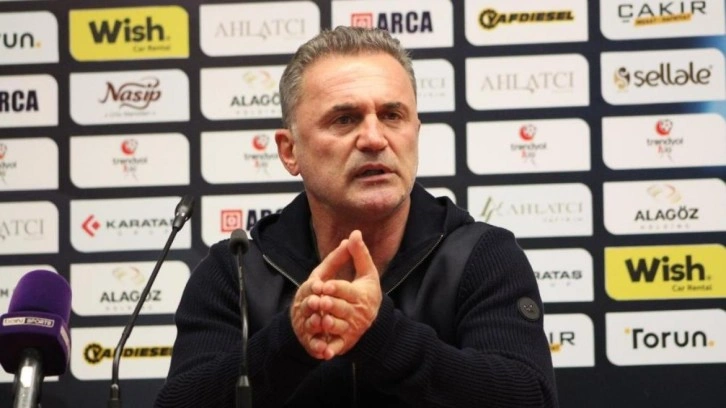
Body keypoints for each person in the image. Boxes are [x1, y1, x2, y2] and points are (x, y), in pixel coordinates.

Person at [156, 26, 558, 407]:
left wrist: (380, 334)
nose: (374, 138)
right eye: (344, 119)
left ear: (416, 132)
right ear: (290, 151)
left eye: (392, 115)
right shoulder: (237, 270)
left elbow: (530, 398)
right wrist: (291, 339)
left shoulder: (481, 255)